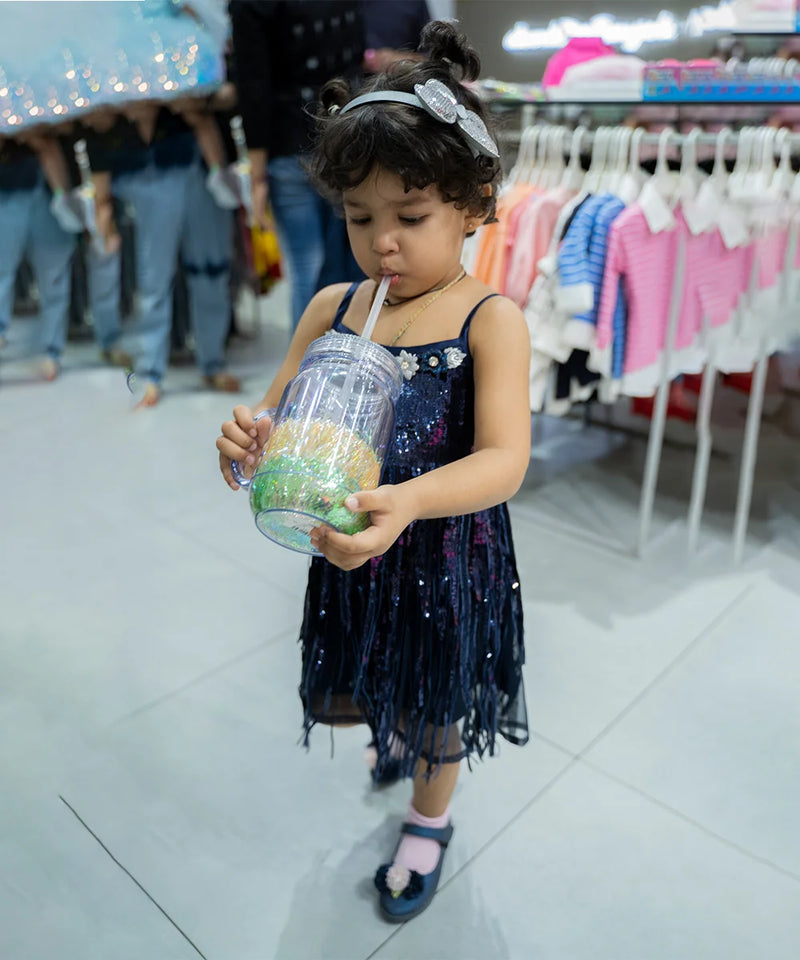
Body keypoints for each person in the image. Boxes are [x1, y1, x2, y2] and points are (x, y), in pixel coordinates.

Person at [216, 21, 530, 922]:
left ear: (474, 207)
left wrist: (412, 500)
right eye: (361, 218)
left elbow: (505, 461)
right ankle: (389, 738)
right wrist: (246, 444)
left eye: (412, 216)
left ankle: (429, 821)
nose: (383, 242)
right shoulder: (331, 305)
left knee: (437, 702)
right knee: (372, 677)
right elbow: (276, 417)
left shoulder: (487, 319)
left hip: (440, 556)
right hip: (347, 545)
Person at [228, 0, 365, 332]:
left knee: (308, 265)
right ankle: (345, 359)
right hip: (346, 136)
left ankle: (304, 367)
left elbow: (254, 85)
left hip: (288, 142)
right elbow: (355, 61)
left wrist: (256, 173)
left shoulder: (252, 8)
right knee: (349, 261)